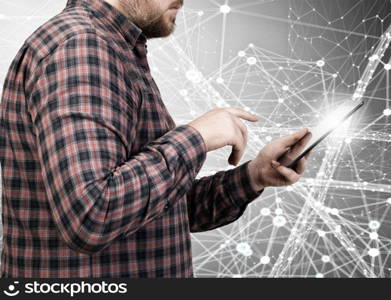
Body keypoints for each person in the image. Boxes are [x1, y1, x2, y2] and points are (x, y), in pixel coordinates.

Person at [0, 0, 311, 277]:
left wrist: (255, 175)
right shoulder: (82, 47)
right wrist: (197, 137)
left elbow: (162, 211)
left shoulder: (112, 47)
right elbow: (91, 217)